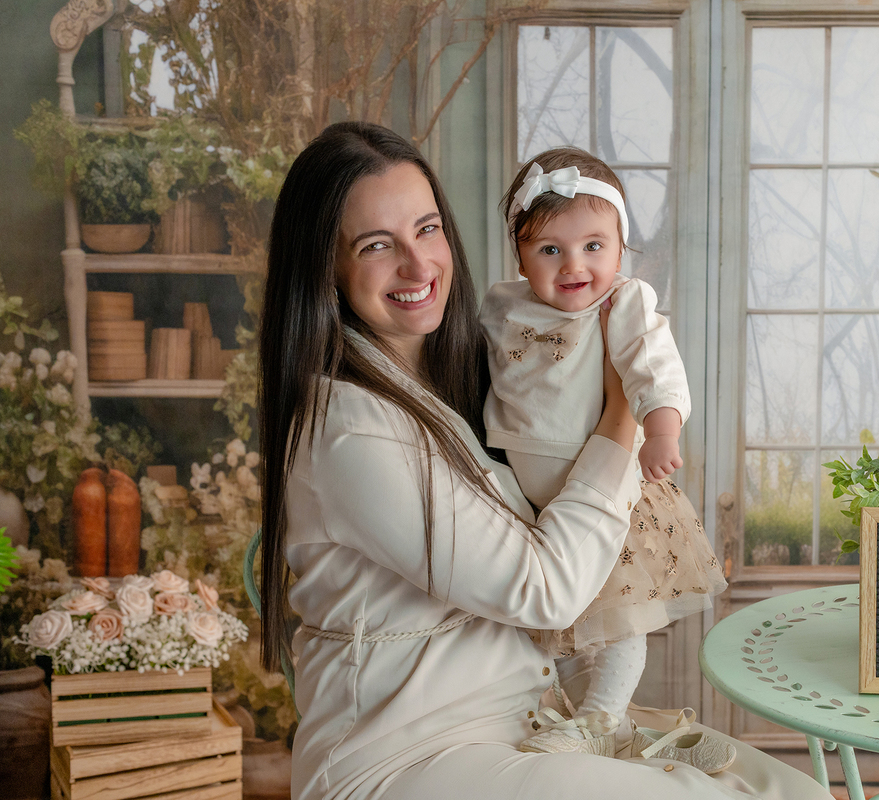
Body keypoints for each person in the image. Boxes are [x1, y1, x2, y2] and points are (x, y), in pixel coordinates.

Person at [256, 120, 834, 800]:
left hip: (522, 721)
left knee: (785, 788)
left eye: (428, 229)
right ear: (324, 265)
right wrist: (621, 415)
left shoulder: (479, 372)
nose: (418, 266)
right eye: (377, 245)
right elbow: (545, 591)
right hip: (405, 757)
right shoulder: (345, 433)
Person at [482, 147, 727, 762]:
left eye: (594, 246)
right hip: (527, 499)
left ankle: (603, 714)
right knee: (557, 624)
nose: (574, 265)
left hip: (610, 489)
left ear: (621, 248)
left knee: (621, 618)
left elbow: (654, 368)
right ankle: (600, 731)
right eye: (550, 250)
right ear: (520, 256)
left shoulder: (622, 303)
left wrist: (663, 431)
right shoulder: (502, 307)